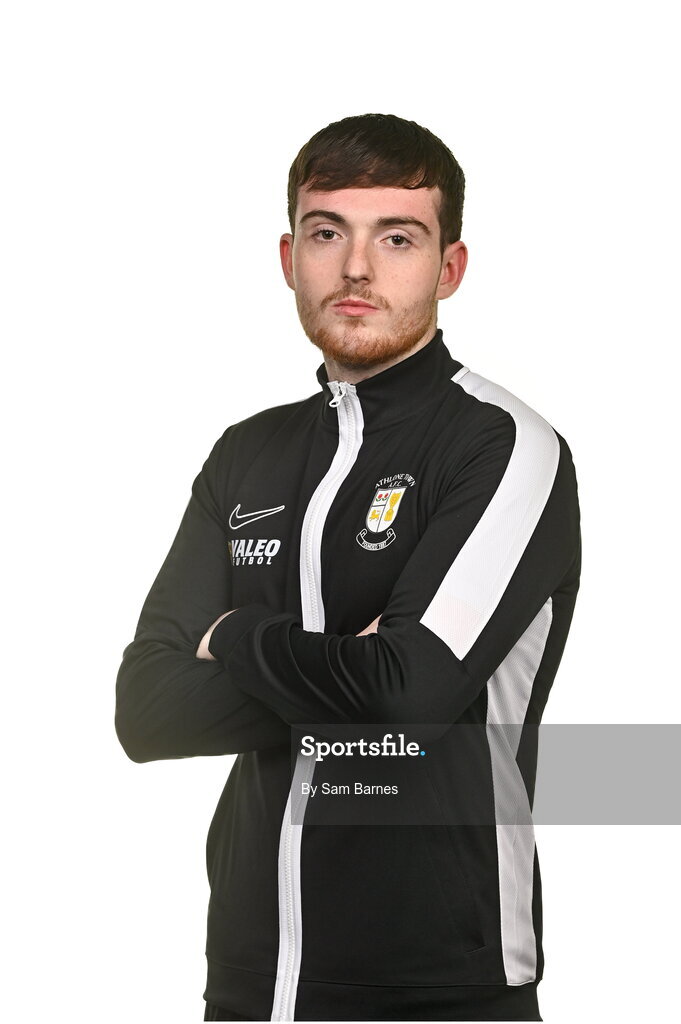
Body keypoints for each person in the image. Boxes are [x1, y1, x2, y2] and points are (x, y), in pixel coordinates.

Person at [115, 112, 581, 1022]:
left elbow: (404, 699)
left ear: (448, 267)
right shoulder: (245, 453)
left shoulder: (501, 446)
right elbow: (146, 712)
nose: (357, 268)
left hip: (440, 983)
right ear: (290, 256)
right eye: (328, 233)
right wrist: (349, 664)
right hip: (252, 979)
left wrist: (234, 636)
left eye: (396, 237)